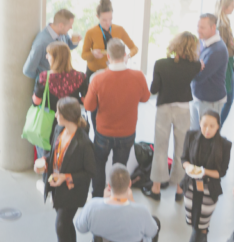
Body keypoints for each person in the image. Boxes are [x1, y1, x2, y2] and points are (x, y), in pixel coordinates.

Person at [34, 97, 96, 242]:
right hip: (57, 188)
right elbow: (53, 153)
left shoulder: (84, 143)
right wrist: (45, 162)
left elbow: (89, 172)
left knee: (61, 225)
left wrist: (65, 177)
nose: (56, 115)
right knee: (66, 222)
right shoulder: (59, 130)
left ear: (68, 116)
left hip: (72, 190)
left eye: (59, 113)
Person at [82, 39, 150, 199]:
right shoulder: (138, 76)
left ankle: (97, 197)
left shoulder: (98, 79)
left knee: (98, 165)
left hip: (103, 133)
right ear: (125, 55)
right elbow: (146, 98)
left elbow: (89, 107)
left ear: (108, 58)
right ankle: (117, 195)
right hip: (127, 132)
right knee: (120, 167)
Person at [74, 164, 159, 242]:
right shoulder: (141, 211)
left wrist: (103, 200)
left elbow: (80, 227)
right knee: (156, 223)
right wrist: (132, 201)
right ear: (129, 184)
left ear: (109, 185)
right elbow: (153, 231)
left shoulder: (93, 206)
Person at [148, 31, 202, 201]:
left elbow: (154, 89)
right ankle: (180, 189)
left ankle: (156, 189)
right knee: (181, 149)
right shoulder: (194, 66)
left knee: (160, 147)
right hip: (183, 109)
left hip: (164, 108)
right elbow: (198, 67)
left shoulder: (161, 64)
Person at [177, 111, 232, 242]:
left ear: (218, 127)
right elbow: (184, 158)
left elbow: (221, 172)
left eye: (212, 126)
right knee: (198, 224)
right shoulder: (191, 135)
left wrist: (202, 171)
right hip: (191, 186)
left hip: (209, 189)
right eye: (204, 125)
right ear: (199, 124)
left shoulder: (225, 145)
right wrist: (188, 167)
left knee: (199, 226)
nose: (207, 129)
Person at [30, 41, 87, 152]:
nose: (46, 57)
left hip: (48, 125)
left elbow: (35, 102)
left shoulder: (44, 77)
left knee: (47, 155)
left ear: (55, 58)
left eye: (48, 54)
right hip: (72, 123)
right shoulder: (80, 77)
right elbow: (86, 101)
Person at [81, 0, 139, 85]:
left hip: (114, 72)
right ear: (97, 16)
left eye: (110, 19)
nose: (108, 23)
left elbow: (134, 48)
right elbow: (84, 55)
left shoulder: (119, 29)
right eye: (104, 20)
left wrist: (127, 56)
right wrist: (92, 54)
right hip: (94, 73)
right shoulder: (91, 32)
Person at [191, 13, 228, 131]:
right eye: (198, 26)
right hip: (200, 97)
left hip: (210, 101)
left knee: (206, 137)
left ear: (213, 28)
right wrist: (196, 65)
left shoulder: (217, 50)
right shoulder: (204, 41)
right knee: (195, 132)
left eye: (202, 28)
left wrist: (190, 67)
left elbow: (199, 76)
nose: (198, 30)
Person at [22, 8, 82, 83]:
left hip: (62, 84)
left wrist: (74, 42)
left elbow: (67, 48)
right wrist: (43, 78)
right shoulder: (41, 42)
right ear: (61, 26)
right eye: (70, 25)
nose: (71, 27)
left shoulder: (62, 34)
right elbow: (28, 70)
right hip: (47, 87)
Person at [215, 0, 234, 126]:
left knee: (229, 97)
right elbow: (225, 51)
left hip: (228, 65)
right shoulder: (221, 26)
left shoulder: (225, 22)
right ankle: (215, 128)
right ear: (225, 8)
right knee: (229, 98)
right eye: (232, 5)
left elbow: (228, 42)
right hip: (225, 65)